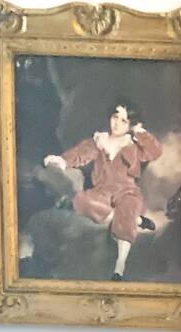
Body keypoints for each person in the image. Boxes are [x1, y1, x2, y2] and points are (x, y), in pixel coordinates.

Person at [44, 99, 161, 281]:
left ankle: (119, 266)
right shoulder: (99, 141)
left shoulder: (134, 145)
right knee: (81, 200)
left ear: (130, 124)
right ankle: (135, 219)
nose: (117, 123)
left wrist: (139, 132)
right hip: (102, 192)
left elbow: (154, 152)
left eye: (123, 120)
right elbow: (80, 154)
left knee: (128, 205)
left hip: (127, 191)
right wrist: (62, 160)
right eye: (115, 117)